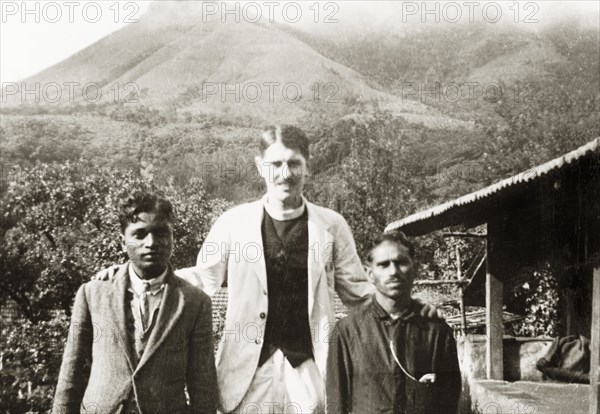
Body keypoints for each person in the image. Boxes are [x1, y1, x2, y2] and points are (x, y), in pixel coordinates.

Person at [97, 125, 437, 413]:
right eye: (275, 164)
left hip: (310, 370)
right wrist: (131, 275)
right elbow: (203, 278)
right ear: (260, 167)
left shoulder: (331, 225)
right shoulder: (233, 223)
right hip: (247, 373)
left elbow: (359, 293)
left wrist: (413, 309)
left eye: (294, 163)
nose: (285, 173)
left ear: (308, 166)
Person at [53, 192, 217, 414]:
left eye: (161, 233)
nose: (151, 243)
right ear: (123, 242)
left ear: (172, 238)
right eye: (139, 234)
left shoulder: (195, 302)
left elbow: (203, 386)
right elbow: (70, 375)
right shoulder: (93, 294)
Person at [326, 230, 461, 414]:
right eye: (383, 264)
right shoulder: (347, 332)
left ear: (416, 268)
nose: (393, 271)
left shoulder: (436, 332)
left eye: (401, 262)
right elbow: (336, 405)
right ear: (369, 273)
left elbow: (449, 404)